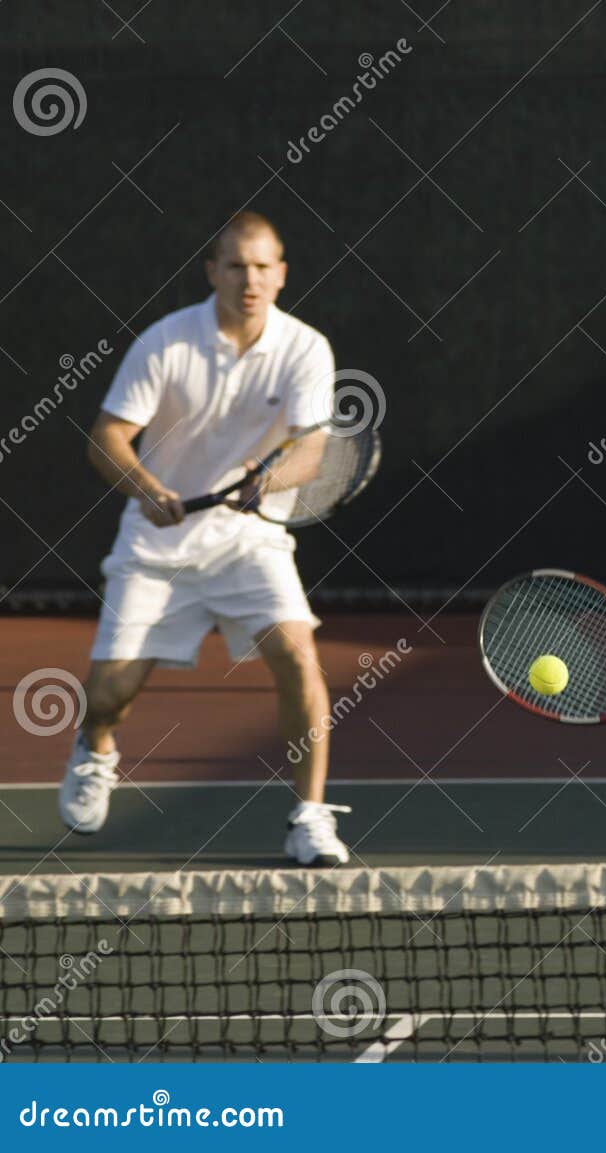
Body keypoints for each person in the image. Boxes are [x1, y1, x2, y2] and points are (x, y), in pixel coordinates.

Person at [62, 210, 352, 867]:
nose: (250, 280)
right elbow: (106, 437)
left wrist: (268, 477)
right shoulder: (165, 343)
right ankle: (96, 747)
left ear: (281, 274)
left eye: (262, 267)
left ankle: (309, 817)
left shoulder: (306, 348)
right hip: (155, 548)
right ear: (212, 272)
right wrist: (146, 488)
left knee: (299, 657)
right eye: (236, 266)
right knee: (108, 696)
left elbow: (311, 449)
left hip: (249, 542)